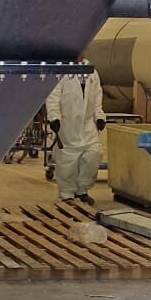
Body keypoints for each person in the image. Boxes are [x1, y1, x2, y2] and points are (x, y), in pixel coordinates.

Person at [46, 65, 105, 206]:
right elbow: (53, 96)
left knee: (93, 155)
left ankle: (82, 190)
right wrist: (54, 117)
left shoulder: (91, 71)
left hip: (88, 124)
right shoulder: (61, 71)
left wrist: (99, 116)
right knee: (68, 160)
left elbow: (97, 95)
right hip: (68, 123)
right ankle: (67, 193)